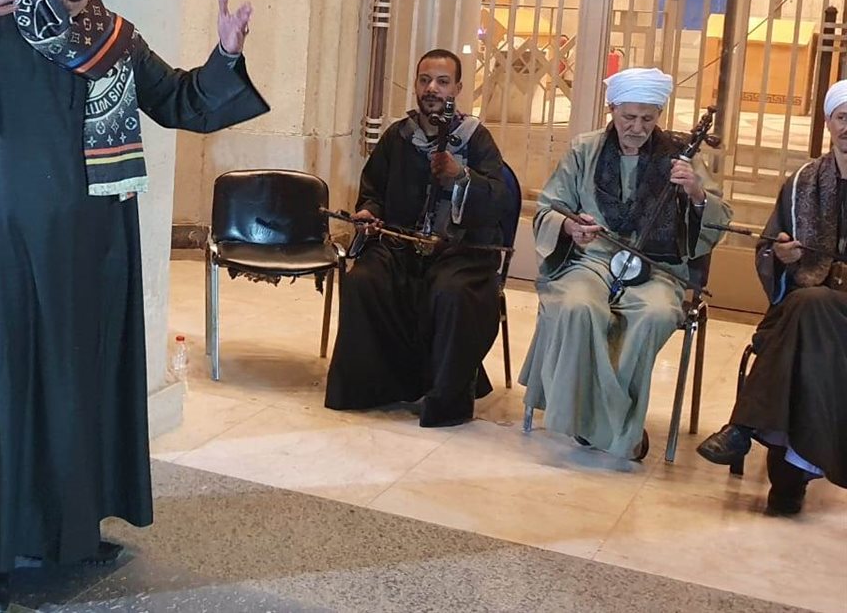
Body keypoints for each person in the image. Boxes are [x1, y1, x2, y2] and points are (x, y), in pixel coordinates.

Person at [0, 0, 269, 613]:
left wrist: (225, 57)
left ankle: (70, 528)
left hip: (96, 249)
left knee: (79, 391)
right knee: (6, 394)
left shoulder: (117, 40)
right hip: (7, 248)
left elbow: (183, 102)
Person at [519, 68, 730, 460]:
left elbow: (718, 220)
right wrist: (571, 227)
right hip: (591, 259)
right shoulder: (585, 150)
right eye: (628, 117)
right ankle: (619, 429)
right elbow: (549, 208)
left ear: (658, 116)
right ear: (612, 110)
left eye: (647, 119)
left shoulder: (681, 156)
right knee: (578, 306)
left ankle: (592, 422)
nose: (637, 127)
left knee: (656, 313)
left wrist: (696, 192)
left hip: (656, 267)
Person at [324, 49, 511, 427]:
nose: (432, 89)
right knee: (363, 280)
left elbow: (498, 200)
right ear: (415, 85)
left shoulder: (476, 139)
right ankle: (372, 388)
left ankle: (445, 400)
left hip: (460, 252)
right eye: (425, 80)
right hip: (400, 245)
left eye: (442, 82)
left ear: (457, 88)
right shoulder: (398, 136)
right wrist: (369, 213)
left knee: (452, 293)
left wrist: (461, 177)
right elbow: (373, 190)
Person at [696, 80, 847, 515]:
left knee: (806, 307)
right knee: (805, 321)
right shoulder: (803, 183)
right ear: (829, 123)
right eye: (843, 118)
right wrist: (780, 257)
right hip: (803, 310)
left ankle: (747, 431)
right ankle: (792, 470)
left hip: (817, 309)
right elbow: (768, 246)